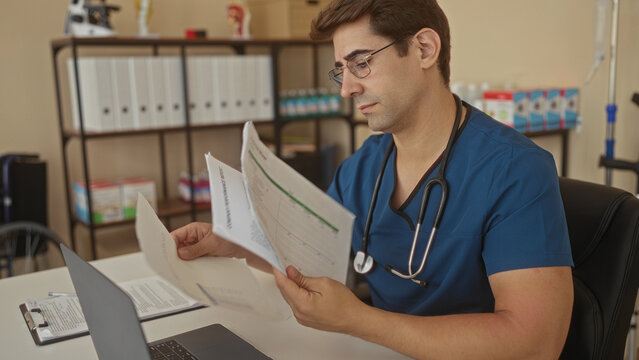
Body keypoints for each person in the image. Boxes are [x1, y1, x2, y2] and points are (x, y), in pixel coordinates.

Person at [171, 0, 574, 358]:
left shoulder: (515, 170)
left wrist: (359, 321)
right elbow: (316, 253)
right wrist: (234, 242)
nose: (346, 88)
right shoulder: (366, 164)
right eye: (340, 70)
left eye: (361, 62)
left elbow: (535, 344)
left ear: (424, 49)